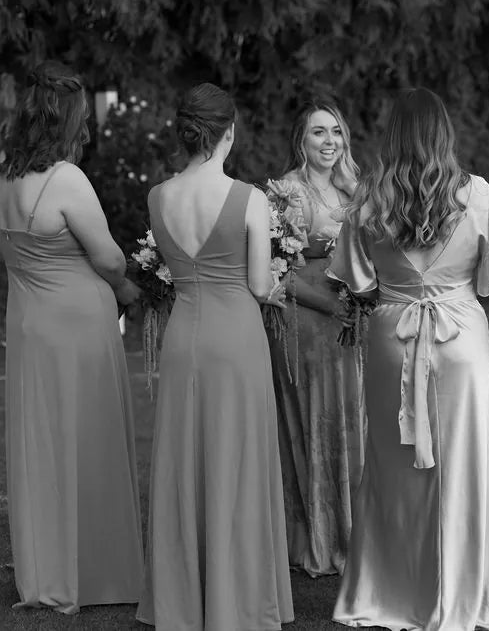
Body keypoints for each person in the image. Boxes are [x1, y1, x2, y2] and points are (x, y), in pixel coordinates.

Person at [329, 88, 489, 630]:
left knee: (392, 465)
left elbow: (358, 281)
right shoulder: (477, 194)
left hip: (393, 334)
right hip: (460, 337)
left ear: (393, 135)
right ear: (444, 134)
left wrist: (404, 284)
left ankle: (386, 592)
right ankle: (464, 594)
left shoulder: (368, 198)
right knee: (464, 462)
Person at [136, 83, 294, 630]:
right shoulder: (249, 198)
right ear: (229, 132)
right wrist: (282, 287)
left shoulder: (158, 196)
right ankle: (238, 598)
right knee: (239, 460)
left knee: (186, 461)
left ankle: (184, 599)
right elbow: (259, 284)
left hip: (184, 337)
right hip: (236, 340)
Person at [0, 61, 144, 614]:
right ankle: (96, 571)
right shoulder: (66, 179)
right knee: (89, 436)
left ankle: (46, 571)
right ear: (67, 120)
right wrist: (129, 288)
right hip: (77, 326)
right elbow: (109, 259)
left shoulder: (5, 175)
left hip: (29, 324)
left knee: (43, 442)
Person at [269, 97, 366, 578]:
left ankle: (358, 533)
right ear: (301, 141)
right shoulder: (287, 191)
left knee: (353, 421)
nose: (330, 141)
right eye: (318, 132)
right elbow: (274, 269)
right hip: (306, 321)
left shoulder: (355, 187)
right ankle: (318, 537)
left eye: (336, 131)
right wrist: (329, 304)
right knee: (315, 421)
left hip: (353, 321)